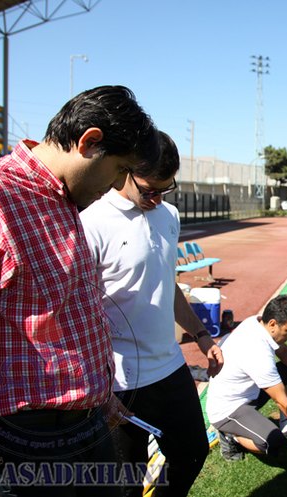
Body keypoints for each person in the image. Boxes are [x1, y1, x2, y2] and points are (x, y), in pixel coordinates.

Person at [0, 86, 163, 497]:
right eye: (119, 169)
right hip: (24, 443)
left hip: (85, 427)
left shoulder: (63, 198)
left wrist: (99, 398)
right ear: (90, 142)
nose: (119, 184)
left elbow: (64, 313)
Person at [80, 131, 224, 497]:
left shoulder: (168, 214)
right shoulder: (91, 223)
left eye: (166, 189)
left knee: (191, 453)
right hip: (119, 380)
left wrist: (202, 335)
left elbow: (167, 284)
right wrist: (98, 387)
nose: (157, 198)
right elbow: (77, 313)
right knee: (125, 485)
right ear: (122, 172)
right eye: (148, 190)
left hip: (170, 368)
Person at [206, 295, 287, 461]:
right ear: (272, 324)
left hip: (247, 392)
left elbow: (285, 353)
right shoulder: (258, 353)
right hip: (228, 409)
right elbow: (283, 402)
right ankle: (230, 435)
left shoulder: (257, 322)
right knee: (272, 441)